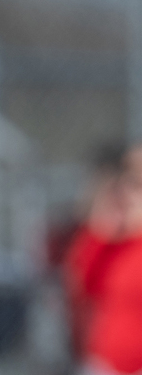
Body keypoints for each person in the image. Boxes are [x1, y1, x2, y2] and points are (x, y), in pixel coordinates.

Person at [64, 143, 142, 375]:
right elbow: (81, 286)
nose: (128, 192)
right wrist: (102, 226)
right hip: (106, 364)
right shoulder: (113, 243)